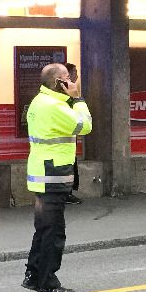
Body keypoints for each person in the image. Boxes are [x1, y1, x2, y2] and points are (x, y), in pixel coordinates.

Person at [22, 62, 93, 292]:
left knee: (43, 230)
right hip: (52, 175)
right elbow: (85, 126)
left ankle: (34, 275)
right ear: (59, 82)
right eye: (68, 79)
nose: (72, 82)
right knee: (54, 233)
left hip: (42, 174)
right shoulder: (55, 107)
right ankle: (48, 283)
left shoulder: (40, 101)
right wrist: (78, 98)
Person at [65, 62, 82, 206]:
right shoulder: (68, 94)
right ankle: (67, 193)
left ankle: (68, 192)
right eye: (74, 72)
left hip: (69, 136)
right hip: (66, 137)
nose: (77, 75)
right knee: (68, 165)